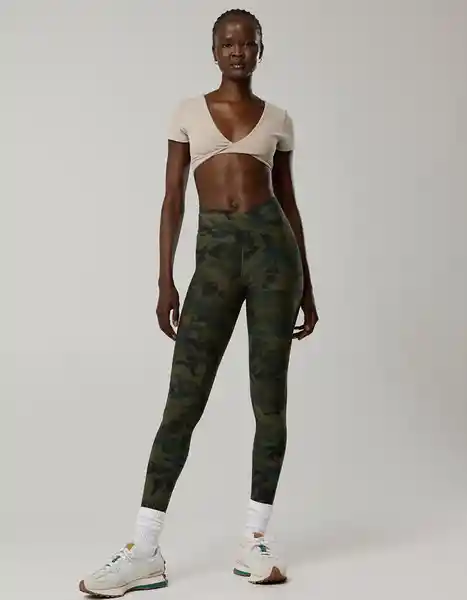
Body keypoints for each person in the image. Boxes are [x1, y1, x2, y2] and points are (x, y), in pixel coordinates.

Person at [79, 8, 318, 597]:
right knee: (183, 400)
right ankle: (144, 549)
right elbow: (172, 200)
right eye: (227, 43)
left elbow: (289, 200)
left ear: (260, 50)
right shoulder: (187, 112)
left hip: (274, 258)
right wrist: (165, 280)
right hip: (214, 258)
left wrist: (308, 284)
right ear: (214, 50)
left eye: (247, 43)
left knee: (270, 400)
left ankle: (255, 541)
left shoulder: (279, 119)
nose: (237, 51)